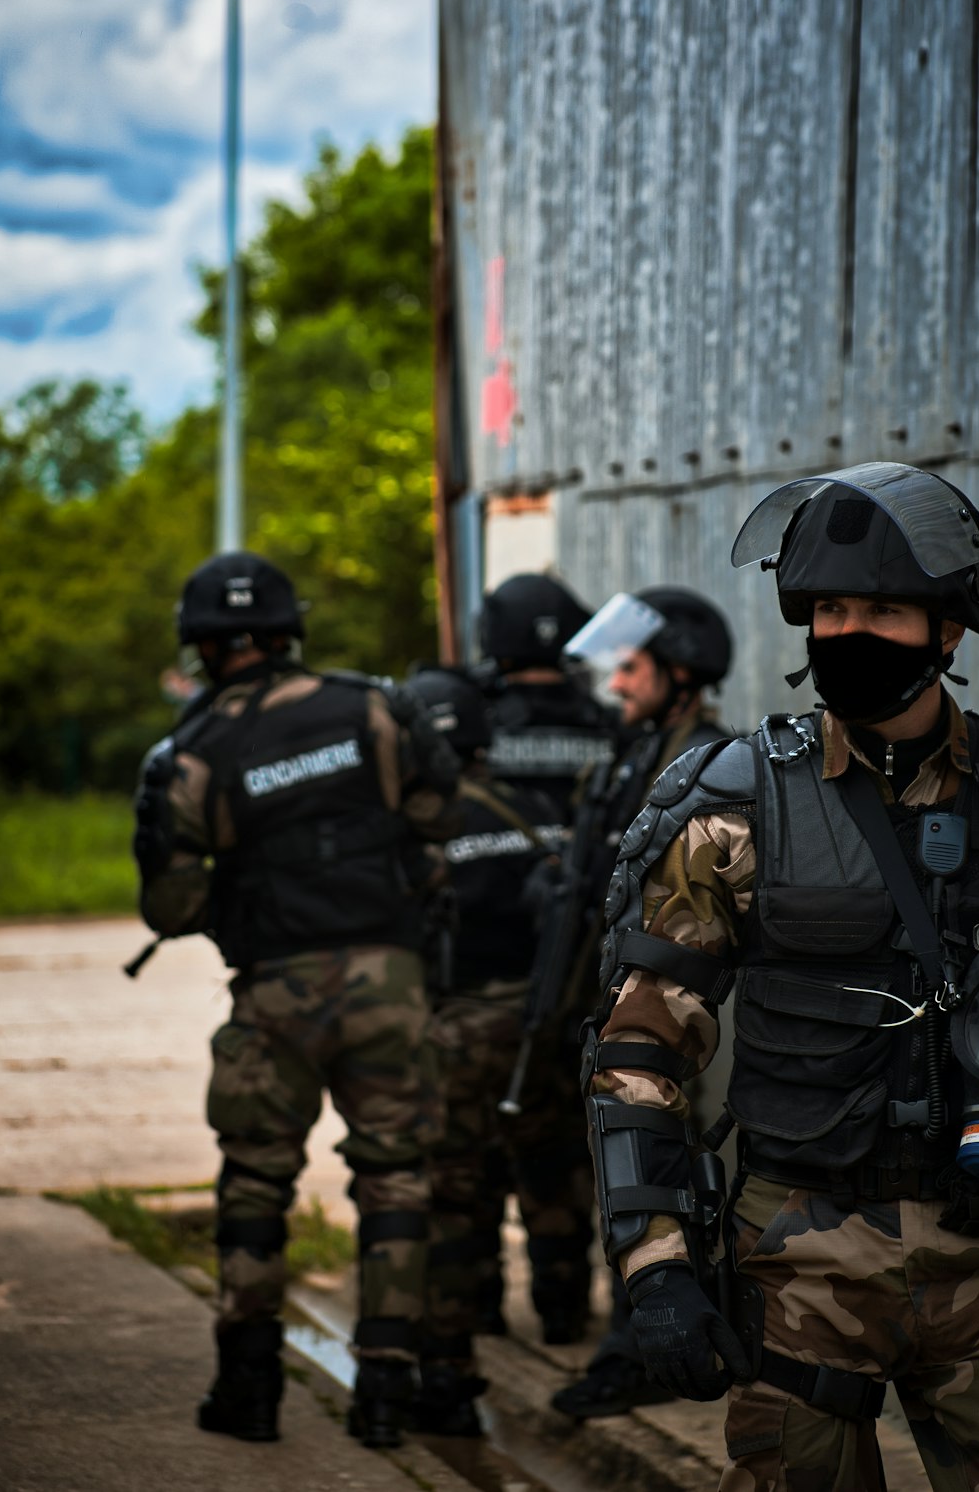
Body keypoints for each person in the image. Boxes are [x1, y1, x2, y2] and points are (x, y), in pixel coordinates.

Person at [585, 462, 979, 1490]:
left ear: (949, 630)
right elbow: (638, 1050)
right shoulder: (734, 806)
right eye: (829, 608)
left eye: (882, 608)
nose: (849, 632)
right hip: (799, 1262)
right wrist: (653, 1269)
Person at [131, 551, 460, 1451]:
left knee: (256, 1177)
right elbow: (440, 812)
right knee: (396, 1173)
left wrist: (236, 885)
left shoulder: (191, 751)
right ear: (290, 631)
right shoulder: (377, 707)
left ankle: (249, 1388)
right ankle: (388, 1393)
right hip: (390, 979)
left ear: (200, 648)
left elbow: (169, 903)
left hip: (275, 989)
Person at [550, 586, 736, 1419]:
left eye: (632, 667)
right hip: (609, 998)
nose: (618, 684)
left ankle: (645, 1344)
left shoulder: (707, 765)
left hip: (671, 1010)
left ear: (681, 672)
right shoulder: (628, 753)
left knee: (655, 1165)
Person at [405, 666, 566, 1436]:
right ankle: (566, 1314)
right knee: (552, 1171)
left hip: (458, 1027)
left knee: (457, 1186)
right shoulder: (540, 806)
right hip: (545, 1023)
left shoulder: (421, 820)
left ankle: (470, 1325)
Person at [473, 572, 620, 1341]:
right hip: (595, 975)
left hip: (490, 975)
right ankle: (570, 1315)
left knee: (487, 1154)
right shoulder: (610, 726)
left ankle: (483, 1319)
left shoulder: (476, 726)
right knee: (575, 1154)